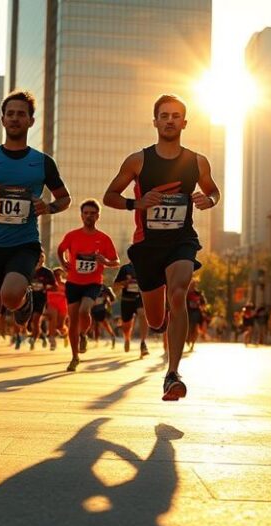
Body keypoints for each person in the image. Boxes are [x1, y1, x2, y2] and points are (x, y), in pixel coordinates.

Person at [102, 94, 221, 401]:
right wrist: (136, 202)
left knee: (179, 293)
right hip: (147, 247)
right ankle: (166, 324)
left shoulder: (197, 161)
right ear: (155, 121)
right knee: (156, 320)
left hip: (181, 241)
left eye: (176, 115)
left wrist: (209, 200)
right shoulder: (138, 160)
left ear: (185, 122)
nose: (170, 120)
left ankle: (172, 374)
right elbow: (110, 196)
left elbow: (214, 192)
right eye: (164, 115)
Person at [0, 90, 71, 397]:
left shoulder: (42, 163)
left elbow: (65, 199)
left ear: (31, 120)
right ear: (3, 118)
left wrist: (48, 207)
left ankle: (22, 299)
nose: (16, 118)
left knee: (9, 296)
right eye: (11, 113)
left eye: (22, 114)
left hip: (25, 244)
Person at [57, 199, 120, 372]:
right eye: (86, 213)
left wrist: (105, 261)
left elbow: (116, 261)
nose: (89, 216)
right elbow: (60, 249)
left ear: (98, 216)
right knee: (73, 319)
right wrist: (63, 263)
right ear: (81, 215)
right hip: (73, 282)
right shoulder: (72, 236)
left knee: (84, 311)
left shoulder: (103, 239)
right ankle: (74, 357)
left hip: (93, 283)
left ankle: (83, 334)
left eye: (92, 213)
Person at [113, 262, 150, 357]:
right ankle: (127, 338)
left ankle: (143, 343)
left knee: (143, 314)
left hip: (140, 298)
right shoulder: (125, 268)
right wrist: (124, 283)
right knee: (126, 326)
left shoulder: (146, 267)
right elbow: (115, 287)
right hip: (127, 300)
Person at [29, 251, 56, 350]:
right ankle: (42, 335)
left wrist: (45, 287)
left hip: (41, 299)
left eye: (42, 258)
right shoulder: (29, 270)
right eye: (38, 257)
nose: (40, 260)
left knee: (36, 320)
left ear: (43, 259)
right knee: (30, 322)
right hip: (29, 298)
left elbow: (55, 287)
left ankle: (33, 339)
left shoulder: (47, 272)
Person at [46, 267, 69, 350]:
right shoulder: (49, 284)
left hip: (63, 306)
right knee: (52, 321)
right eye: (56, 275)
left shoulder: (65, 284)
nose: (58, 276)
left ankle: (65, 333)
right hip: (52, 304)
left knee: (60, 326)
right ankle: (52, 341)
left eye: (59, 275)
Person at [90, 284, 117, 348]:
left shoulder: (104, 287)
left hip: (101, 308)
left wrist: (107, 300)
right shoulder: (91, 286)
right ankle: (96, 341)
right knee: (96, 325)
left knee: (104, 323)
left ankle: (112, 336)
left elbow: (111, 298)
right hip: (94, 308)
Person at [185, 280, 207, 351]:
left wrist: (202, 308)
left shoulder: (199, 293)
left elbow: (203, 303)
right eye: (191, 284)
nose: (192, 286)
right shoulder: (185, 293)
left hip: (197, 313)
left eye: (194, 285)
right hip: (188, 313)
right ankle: (187, 340)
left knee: (196, 328)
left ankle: (193, 344)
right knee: (188, 328)